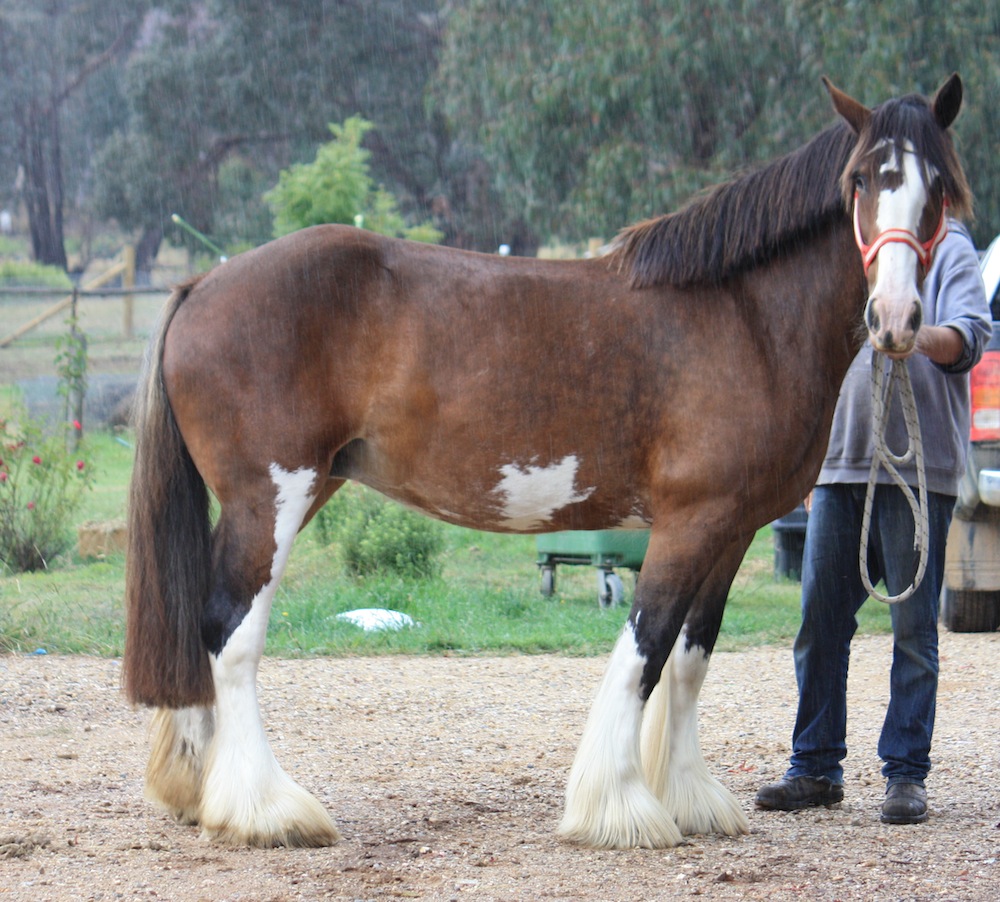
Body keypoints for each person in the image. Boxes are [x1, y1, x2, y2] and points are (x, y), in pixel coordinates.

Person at [755, 218, 991, 825]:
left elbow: (970, 336)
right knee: (819, 625)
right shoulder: (856, 251)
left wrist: (911, 334)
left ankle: (906, 776)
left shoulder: (953, 250)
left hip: (920, 468)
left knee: (914, 631)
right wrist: (809, 460)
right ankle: (814, 766)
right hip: (839, 464)